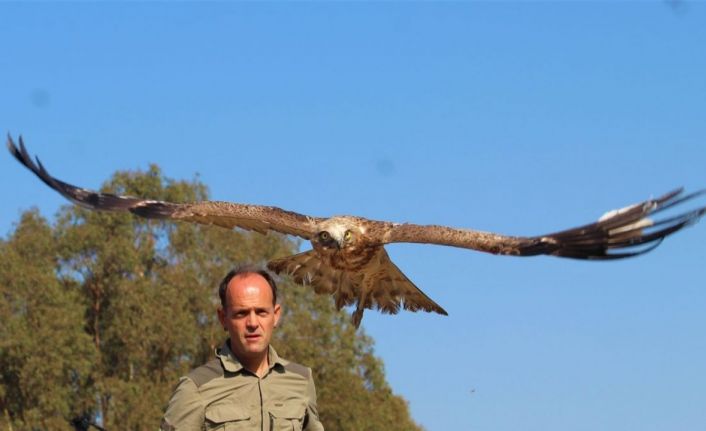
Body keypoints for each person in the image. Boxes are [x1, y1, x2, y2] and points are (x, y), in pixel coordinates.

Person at [161, 266, 324, 430]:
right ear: (223, 318)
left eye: (261, 312)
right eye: (241, 313)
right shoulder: (195, 387)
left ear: (276, 315)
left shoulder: (302, 380)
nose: (252, 323)